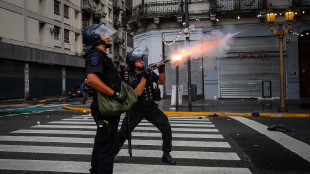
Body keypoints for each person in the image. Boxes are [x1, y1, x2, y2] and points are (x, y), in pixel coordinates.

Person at [117, 48, 176, 165]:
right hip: (135, 108)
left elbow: (161, 82)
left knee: (166, 126)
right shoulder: (128, 75)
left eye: (141, 60)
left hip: (150, 107)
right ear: (132, 62)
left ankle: (166, 154)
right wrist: (144, 76)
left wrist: (161, 70)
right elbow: (137, 93)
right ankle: (110, 154)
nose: (141, 62)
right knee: (124, 132)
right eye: (138, 60)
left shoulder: (147, 71)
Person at [83, 23, 128, 174]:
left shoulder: (102, 56)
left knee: (101, 144)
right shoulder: (95, 56)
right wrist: (115, 94)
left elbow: (105, 79)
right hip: (105, 109)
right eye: (104, 34)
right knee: (107, 148)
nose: (107, 37)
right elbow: (92, 79)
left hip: (106, 108)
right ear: (96, 38)